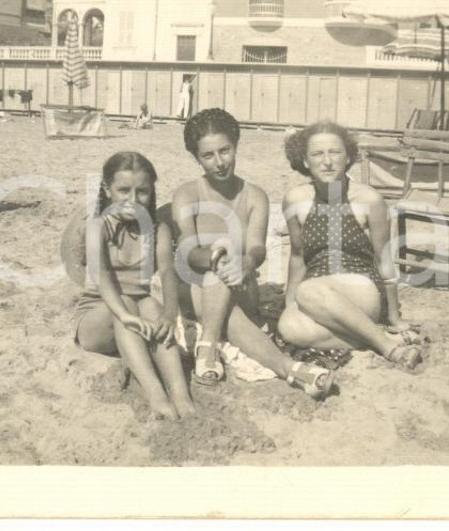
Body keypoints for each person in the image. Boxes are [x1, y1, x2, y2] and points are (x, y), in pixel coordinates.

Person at [171, 108, 335, 399]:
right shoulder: (188, 193)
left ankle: (207, 343)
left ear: (236, 146)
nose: (219, 162)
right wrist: (214, 258)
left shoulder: (254, 195)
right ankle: (290, 369)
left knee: (227, 269)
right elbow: (187, 251)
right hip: (193, 287)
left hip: (240, 284)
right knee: (218, 265)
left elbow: (257, 248)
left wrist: (245, 262)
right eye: (208, 156)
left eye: (225, 151)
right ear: (196, 158)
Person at [276, 121, 424, 371]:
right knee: (288, 327)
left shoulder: (369, 199)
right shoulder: (295, 199)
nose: (327, 161)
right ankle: (370, 338)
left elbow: (383, 258)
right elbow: (298, 256)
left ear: (347, 157)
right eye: (317, 154)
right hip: (319, 294)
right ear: (304, 161)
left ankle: (389, 347)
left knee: (307, 291)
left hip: (362, 288)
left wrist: (394, 317)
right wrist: (289, 304)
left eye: (335, 152)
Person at [71, 152, 195, 420]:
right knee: (130, 302)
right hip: (98, 320)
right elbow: (103, 278)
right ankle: (155, 394)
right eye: (123, 191)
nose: (133, 200)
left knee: (152, 304)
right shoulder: (96, 227)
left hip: (136, 317)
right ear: (107, 189)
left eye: (142, 192)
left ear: (151, 192)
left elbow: (168, 273)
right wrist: (126, 314)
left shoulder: (157, 229)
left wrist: (169, 314)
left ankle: (180, 393)